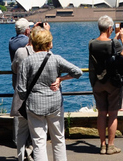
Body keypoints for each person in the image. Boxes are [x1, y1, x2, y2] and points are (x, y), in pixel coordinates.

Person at [17, 28, 82, 161]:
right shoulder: (56, 59)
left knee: (39, 142)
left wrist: (30, 96)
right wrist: (61, 79)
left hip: (35, 104)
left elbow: (21, 89)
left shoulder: (27, 62)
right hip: (55, 103)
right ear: (48, 44)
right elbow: (78, 72)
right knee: (58, 138)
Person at [88, 15, 123, 155]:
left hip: (97, 82)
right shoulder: (115, 43)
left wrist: (115, 40)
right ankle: (110, 146)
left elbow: (105, 48)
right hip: (112, 82)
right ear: (110, 28)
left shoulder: (92, 43)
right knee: (112, 114)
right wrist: (122, 39)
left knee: (101, 113)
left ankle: (102, 145)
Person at [11, 23, 50, 161]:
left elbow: (14, 69)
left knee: (21, 131)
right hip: (38, 97)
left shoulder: (20, 52)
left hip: (21, 96)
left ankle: (21, 157)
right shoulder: (44, 53)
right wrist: (47, 31)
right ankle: (34, 155)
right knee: (38, 130)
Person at [9, 18, 33, 150]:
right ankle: (29, 138)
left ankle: (18, 139)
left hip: (16, 79)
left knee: (19, 109)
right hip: (29, 80)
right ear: (27, 30)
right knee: (30, 109)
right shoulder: (26, 42)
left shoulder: (11, 41)